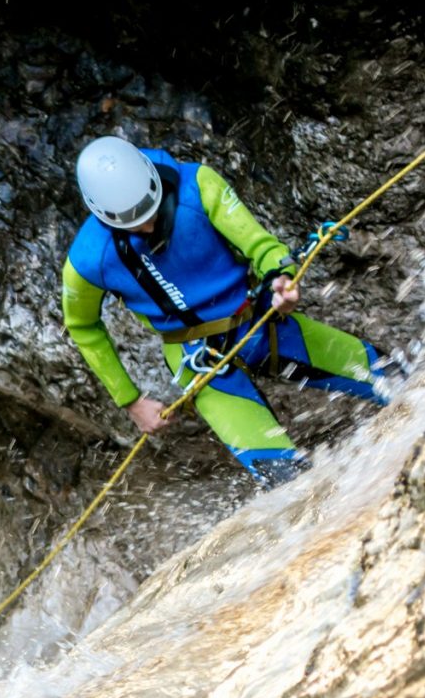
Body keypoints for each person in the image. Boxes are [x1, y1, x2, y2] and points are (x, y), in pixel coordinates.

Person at [61, 135, 397, 486]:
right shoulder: (87, 261)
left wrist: (283, 278)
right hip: (199, 360)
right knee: (288, 484)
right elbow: (82, 326)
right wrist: (130, 401)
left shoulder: (198, 186)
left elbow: (261, 246)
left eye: (150, 207)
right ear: (102, 215)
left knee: (393, 377)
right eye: (132, 220)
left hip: (259, 321)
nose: (147, 225)